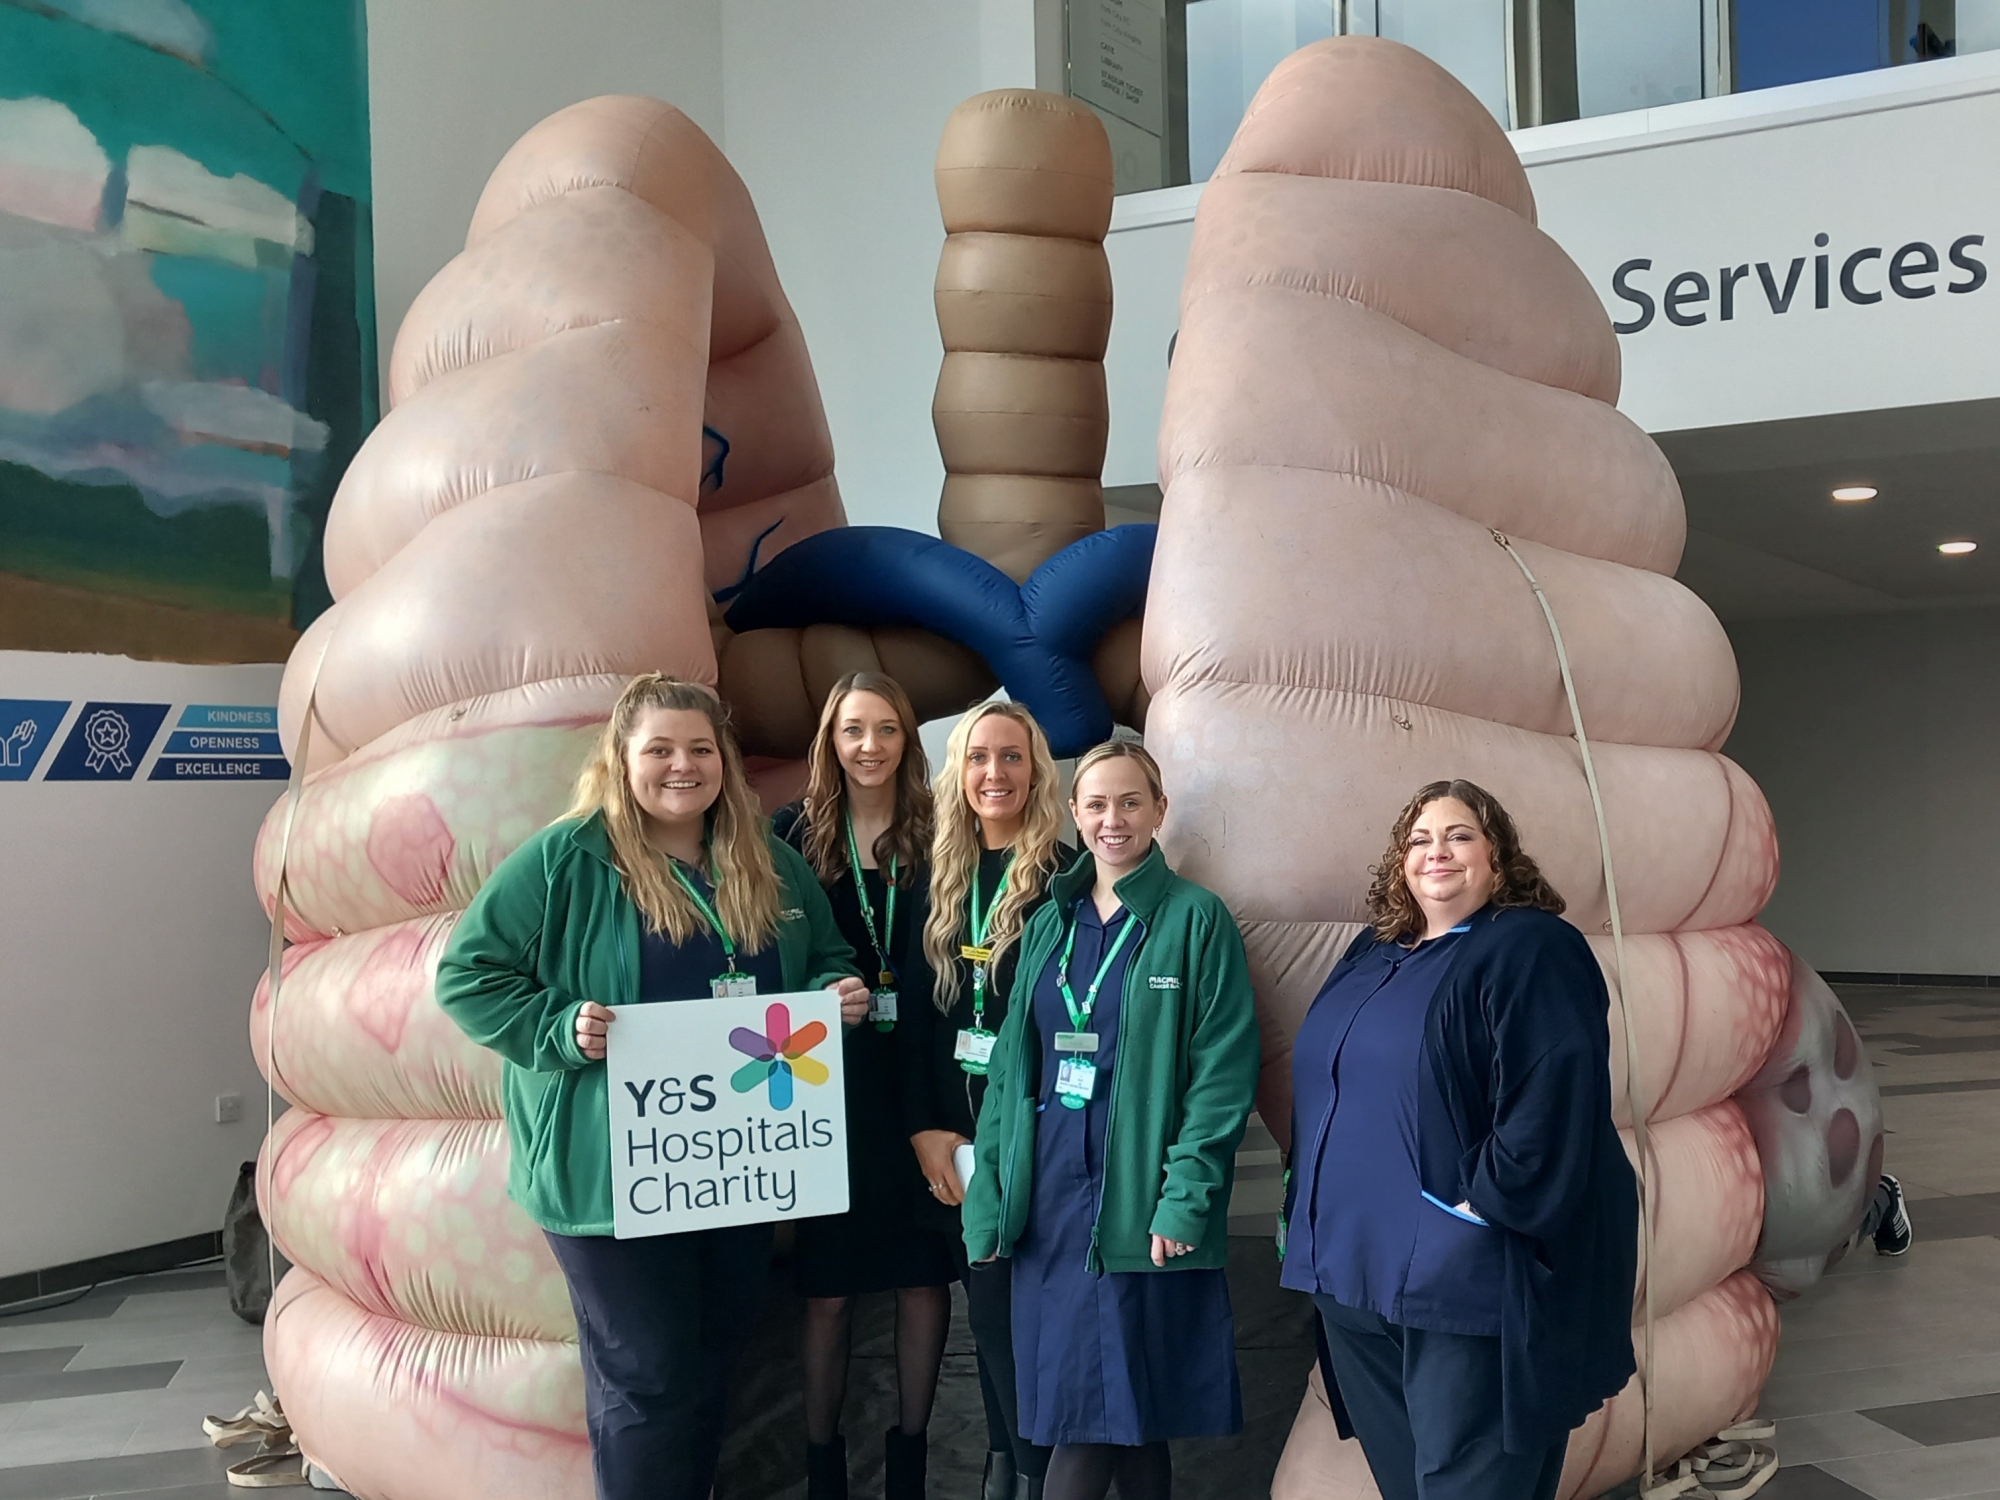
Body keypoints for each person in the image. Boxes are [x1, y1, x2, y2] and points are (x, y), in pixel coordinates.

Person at [435, 674, 869, 1500]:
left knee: (711, 1366)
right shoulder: (568, 858)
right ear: (621, 759)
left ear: (724, 760)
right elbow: (468, 975)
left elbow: (826, 958)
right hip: (609, 1179)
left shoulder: (763, 860)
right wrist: (559, 1029)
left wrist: (838, 992)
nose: (683, 766)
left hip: (731, 1169)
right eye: (660, 749)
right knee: (649, 1376)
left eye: (701, 748)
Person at [1281, 779, 1639, 1500]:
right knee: (1408, 1483)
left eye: (1458, 836)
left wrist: (1484, 1210)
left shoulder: (1530, 947)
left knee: (1469, 1483)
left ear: (1498, 856)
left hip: (1455, 1278)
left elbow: (1554, 1096)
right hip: (1348, 1273)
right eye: (1418, 840)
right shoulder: (1376, 949)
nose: (1435, 852)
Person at [960, 739, 1259, 1500]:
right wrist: (989, 1201)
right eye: (1096, 804)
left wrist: (1186, 1196)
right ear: (1073, 814)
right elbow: (1007, 1076)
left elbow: (1221, 1076)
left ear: (1160, 811)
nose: (1112, 819)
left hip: (1139, 1210)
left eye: (1131, 802)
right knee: (1119, 1425)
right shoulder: (1048, 926)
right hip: (1049, 1216)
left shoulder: (1197, 920)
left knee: (1109, 1419)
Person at [773, 673, 956, 1500]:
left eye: (887, 729)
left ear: (908, 741)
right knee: (828, 1292)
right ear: (830, 742)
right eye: (853, 730)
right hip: (823, 1092)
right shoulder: (791, 837)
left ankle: (911, 1459)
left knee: (923, 1279)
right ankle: (822, 1466)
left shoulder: (942, 833)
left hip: (922, 1084)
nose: (871, 746)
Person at [900, 700, 1074, 1500]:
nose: (993, 774)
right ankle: (1007, 1467)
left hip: (1034, 1136)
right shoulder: (935, 874)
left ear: (1034, 769)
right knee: (988, 1312)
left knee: (1018, 1315)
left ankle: (1031, 1473)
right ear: (957, 773)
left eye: (1010, 757)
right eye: (978, 759)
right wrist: (925, 1130)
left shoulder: (1066, 879)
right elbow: (920, 1023)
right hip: (954, 1140)